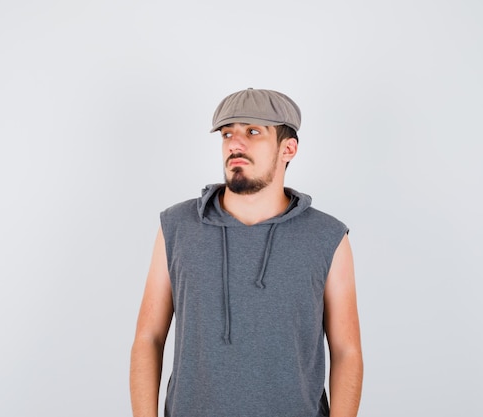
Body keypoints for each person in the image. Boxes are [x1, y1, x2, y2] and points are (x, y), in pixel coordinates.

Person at [129, 88, 363, 417]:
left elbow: (346, 351)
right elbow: (148, 337)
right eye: (228, 133)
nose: (235, 144)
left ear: (288, 148)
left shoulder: (327, 236)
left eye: (253, 132)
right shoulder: (177, 226)